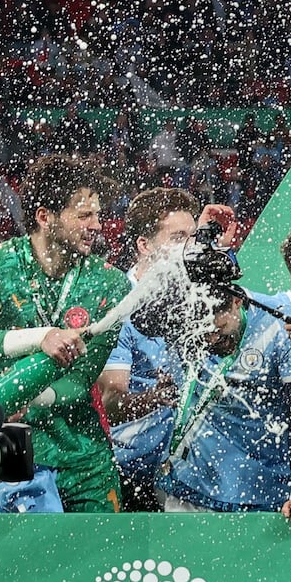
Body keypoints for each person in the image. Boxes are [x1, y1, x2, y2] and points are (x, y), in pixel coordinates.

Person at [0, 156, 131, 512]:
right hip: (7, 460)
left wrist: (28, 399)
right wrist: (42, 336)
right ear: (45, 217)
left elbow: (80, 381)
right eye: (84, 216)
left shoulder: (110, 282)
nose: (97, 225)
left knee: (99, 567)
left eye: (97, 214)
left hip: (84, 460)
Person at [156, 269, 291, 528]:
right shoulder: (185, 317)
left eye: (220, 328)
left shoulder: (279, 327)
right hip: (186, 487)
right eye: (204, 333)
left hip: (258, 495)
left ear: (237, 301)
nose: (213, 340)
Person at [97, 187, 199, 511]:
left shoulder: (198, 302)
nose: (188, 248)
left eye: (193, 237)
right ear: (144, 245)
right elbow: (110, 403)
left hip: (183, 475)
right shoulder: (117, 307)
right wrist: (156, 398)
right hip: (129, 474)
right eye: (177, 237)